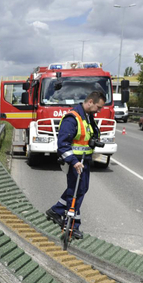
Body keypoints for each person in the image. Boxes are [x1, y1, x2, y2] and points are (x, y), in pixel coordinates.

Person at [45, 91, 105, 240]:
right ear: (90, 101)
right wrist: (74, 161)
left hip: (84, 160)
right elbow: (62, 145)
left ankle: (57, 210)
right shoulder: (72, 118)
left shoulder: (88, 117)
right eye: (98, 107)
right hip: (75, 162)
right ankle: (71, 225)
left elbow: (87, 136)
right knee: (75, 192)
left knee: (80, 189)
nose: (99, 111)